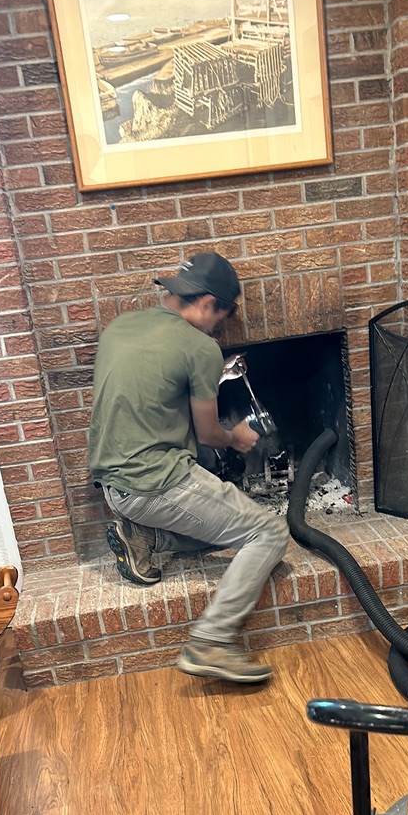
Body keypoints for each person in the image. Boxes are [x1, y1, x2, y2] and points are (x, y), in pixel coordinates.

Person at [88, 252, 290, 684]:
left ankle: (149, 536)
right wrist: (238, 436)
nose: (220, 326)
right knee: (269, 532)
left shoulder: (121, 326)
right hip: (156, 481)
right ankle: (212, 643)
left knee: (226, 528)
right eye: (224, 315)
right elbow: (208, 435)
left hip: (115, 486)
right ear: (208, 303)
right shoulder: (201, 347)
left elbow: (149, 392)